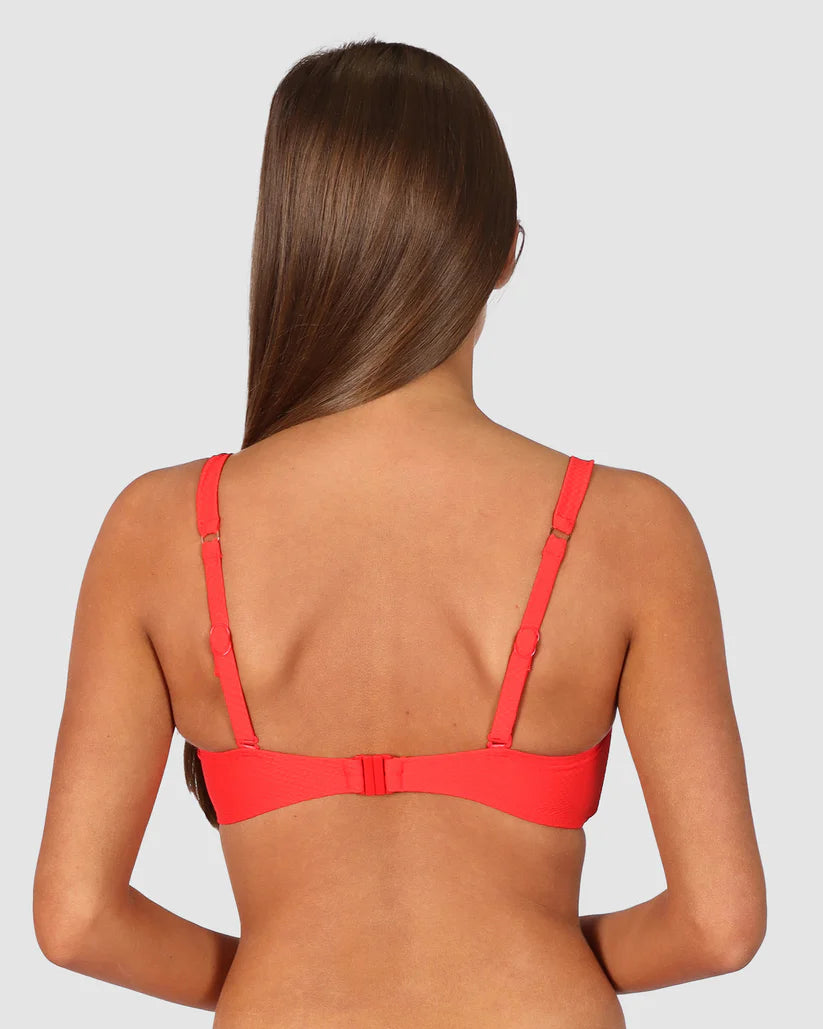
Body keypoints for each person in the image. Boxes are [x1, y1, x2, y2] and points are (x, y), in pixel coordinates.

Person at [33, 37, 766, 1027]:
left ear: (294, 248)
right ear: (503, 253)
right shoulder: (629, 529)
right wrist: (539, 957)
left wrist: (283, 974)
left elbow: (76, 919)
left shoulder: (159, 531)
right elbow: (719, 925)